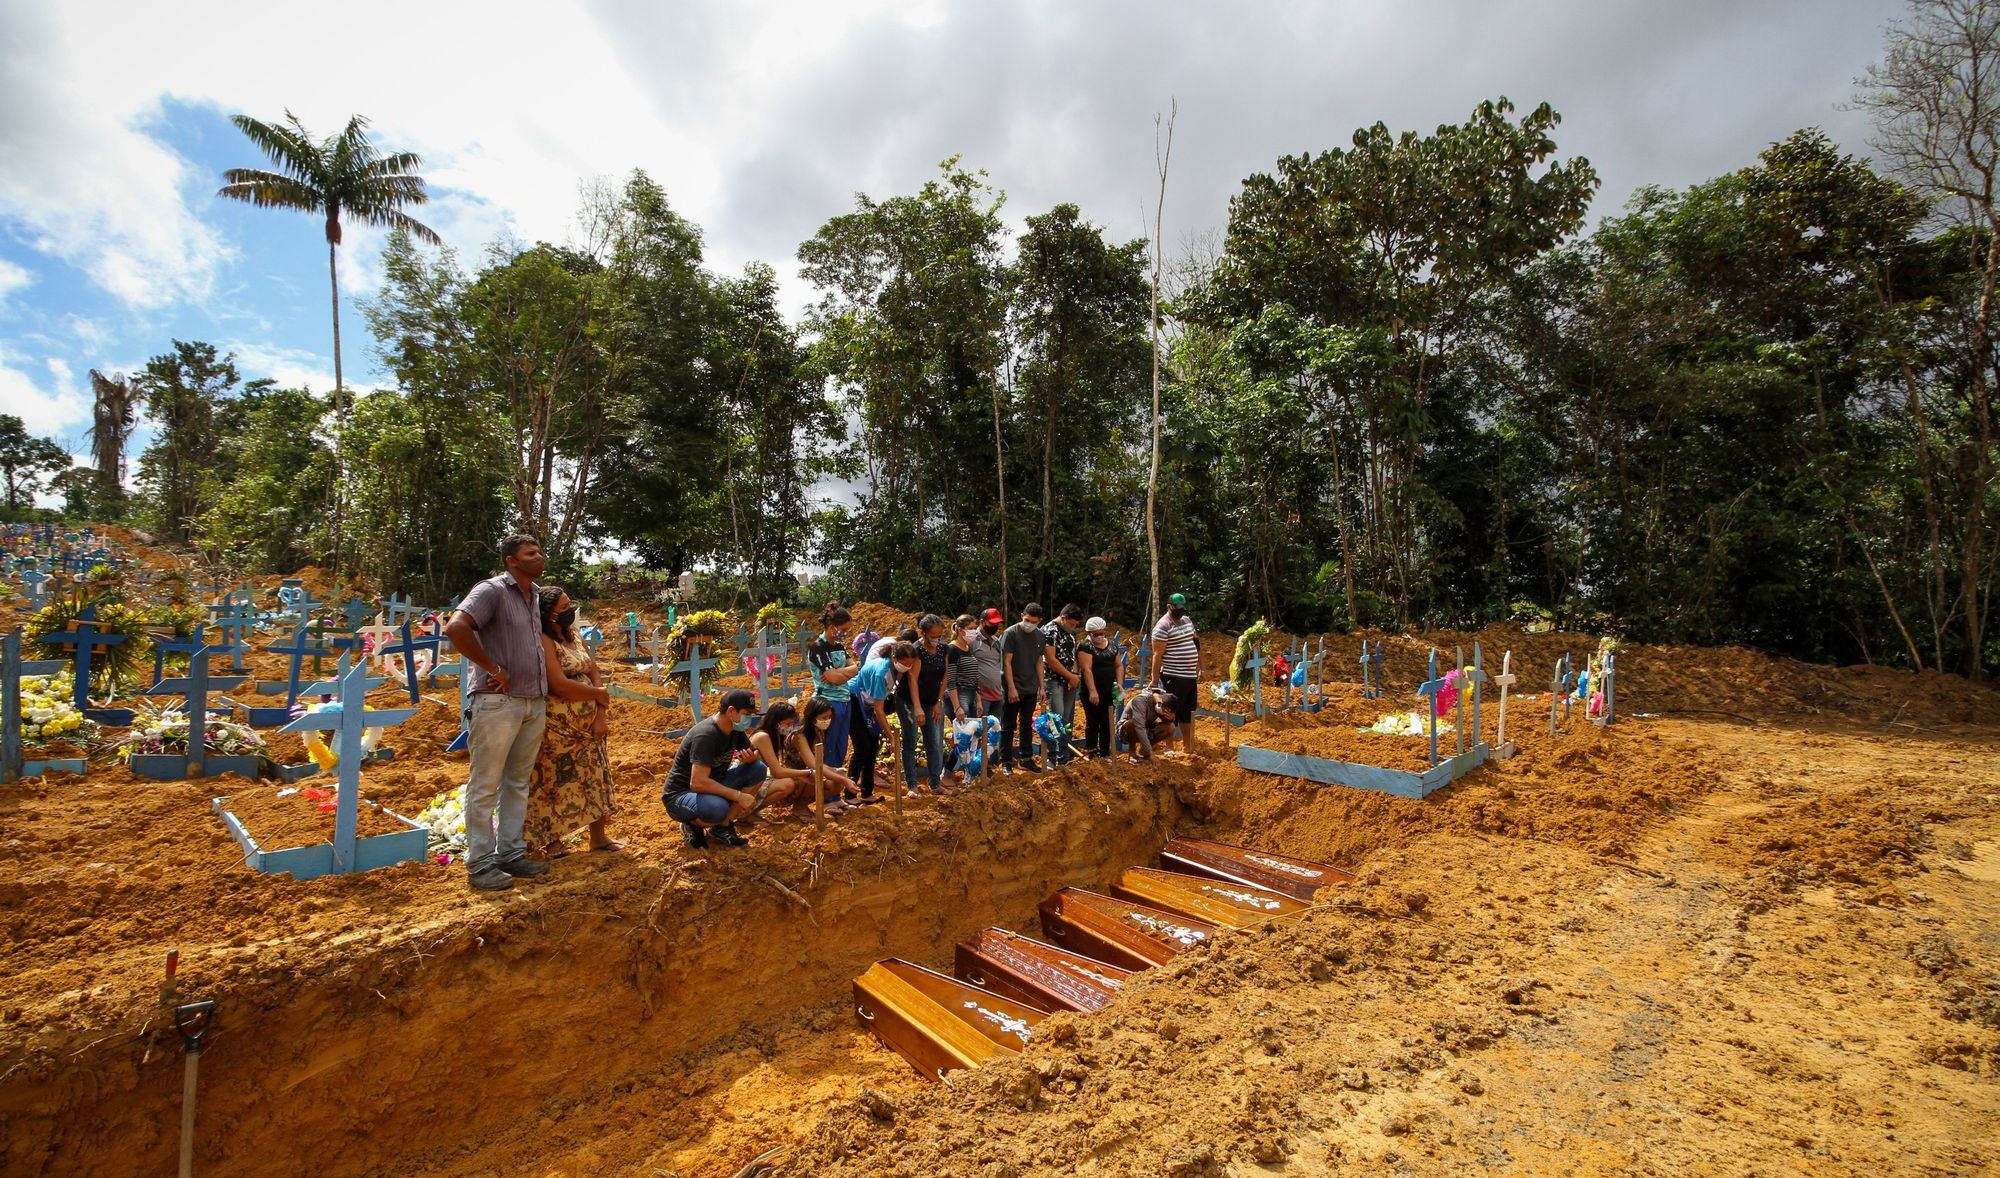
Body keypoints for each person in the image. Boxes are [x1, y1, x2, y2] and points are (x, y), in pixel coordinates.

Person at [443, 534, 552, 891]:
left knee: (517, 783)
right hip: (498, 703)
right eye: (530, 554)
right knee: (485, 785)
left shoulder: (534, 594)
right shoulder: (491, 590)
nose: (539, 557)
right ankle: (479, 863)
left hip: (532, 701)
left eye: (539, 552)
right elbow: (457, 627)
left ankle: (511, 853)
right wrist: (492, 667)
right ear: (511, 561)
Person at [523, 585, 620, 859]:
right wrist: (596, 694)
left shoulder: (574, 636)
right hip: (557, 729)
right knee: (551, 782)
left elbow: (593, 669)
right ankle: (552, 841)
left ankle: (598, 838)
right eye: (564, 608)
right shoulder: (544, 640)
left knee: (595, 776)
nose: (570, 612)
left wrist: (600, 711)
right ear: (549, 615)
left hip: (590, 727)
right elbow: (559, 685)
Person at [662, 689, 769, 848]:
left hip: (711, 785)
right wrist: (738, 796)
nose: (749, 719)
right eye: (747, 713)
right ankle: (693, 825)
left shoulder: (735, 730)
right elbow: (697, 782)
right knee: (717, 808)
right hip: (681, 794)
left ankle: (723, 826)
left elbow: (753, 753)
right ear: (731, 711)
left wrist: (752, 758)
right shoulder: (706, 735)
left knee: (758, 769)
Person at [851, 640, 921, 800]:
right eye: (905, 663)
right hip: (855, 701)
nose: (908, 666)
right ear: (894, 657)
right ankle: (850, 794)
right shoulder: (882, 672)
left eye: (911, 664)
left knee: (872, 748)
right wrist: (890, 737)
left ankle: (866, 793)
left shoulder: (897, 669)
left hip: (869, 704)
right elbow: (879, 709)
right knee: (862, 748)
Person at [900, 614, 949, 795]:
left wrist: (939, 702)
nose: (937, 640)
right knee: (911, 741)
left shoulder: (944, 649)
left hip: (932, 701)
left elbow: (945, 676)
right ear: (923, 633)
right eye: (933, 636)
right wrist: (918, 707)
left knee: (934, 742)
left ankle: (935, 782)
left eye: (940, 636)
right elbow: (912, 679)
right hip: (910, 701)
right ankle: (912, 785)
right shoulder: (916, 650)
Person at [808, 604, 858, 779]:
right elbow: (835, 678)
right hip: (827, 702)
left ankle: (835, 794)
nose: (845, 633)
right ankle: (827, 795)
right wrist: (839, 674)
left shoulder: (839, 645)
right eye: (844, 629)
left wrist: (837, 673)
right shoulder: (818, 647)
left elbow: (855, 669)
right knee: (827, 746)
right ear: (832, 627)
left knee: (841, 746)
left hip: (844, 700)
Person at [999, 603, 1048, 772]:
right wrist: (1011, 688)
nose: (1029, 624)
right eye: (1027, 620)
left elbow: (1038, 662)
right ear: (1022, 615)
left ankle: (1026, 758)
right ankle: (1005, 760)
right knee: (1008, 724)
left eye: (1033, 622)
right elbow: (1006, 662)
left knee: (1027, 723)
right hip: (1013, 687)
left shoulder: (1040, 636)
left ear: (1039, 621)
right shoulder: (1011, 633)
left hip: (1030, 687)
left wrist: (1041, 687)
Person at [745, 701, 814, 821]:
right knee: (787, 784)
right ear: (776, 722)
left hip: (755, 782)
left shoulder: (773, 737)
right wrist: (805, 773)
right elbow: (777, 771)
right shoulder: (763, 737)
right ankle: (747, 812)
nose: (790, 726)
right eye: (787, 723)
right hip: (748, 785)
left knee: (796, 780)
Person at [1149, 592, 1200, 751]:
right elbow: (1157, 656)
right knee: (1171, 712)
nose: (1180, 611)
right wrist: (1155, 681)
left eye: (1182, 608)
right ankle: (1169, 747)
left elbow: (1196, 643)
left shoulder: (1186, 620)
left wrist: (1201, 667)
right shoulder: (1162, 626)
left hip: (1190, 676)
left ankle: (1187, 746)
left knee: (1188, 712)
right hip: (1174, 676)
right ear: (1169, 607)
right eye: (1177, 609)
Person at [791, 696, 853, 817]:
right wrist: (844, 780)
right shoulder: (799, 736)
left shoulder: (818, 732)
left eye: (830, 717)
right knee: (827, 777)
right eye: (824, 718)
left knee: (838, 777)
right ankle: (798, 806)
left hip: (808, 775)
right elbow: (814, 764)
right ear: (813, 717)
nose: (828, 721)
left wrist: (837, 773)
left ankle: (802, 805)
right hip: (794, 777)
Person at [1040, 604, 1085, 764]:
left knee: (1066, 720)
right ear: (1063, 617)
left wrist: (1074, 675)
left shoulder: (1071, 632)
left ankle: (1063, 755)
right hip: (1053, 680)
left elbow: (1072, 655)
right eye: (1072, 623)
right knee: (1055, 719)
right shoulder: (1050, 630)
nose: (1073, 627)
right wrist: (1069, 676)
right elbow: (1051, 659)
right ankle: (1051, 756)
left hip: (1069, 681)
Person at [944, 613, 983, 785]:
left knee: (974, 736)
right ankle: (947, 772)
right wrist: (957, 706)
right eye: (970, 629)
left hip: (970, 693)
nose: (974, 632)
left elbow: (974, 678)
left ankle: (970, 771)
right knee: (963, 737)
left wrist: (979, 699)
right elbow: (950, 680)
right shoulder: (952, 649)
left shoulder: (969, 648)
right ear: (960, 630)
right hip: (958, 694)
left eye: (974, 628)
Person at [1076, 616, 1119, 759]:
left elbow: (1118, 665)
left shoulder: (1112, 645)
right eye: (1096, 634)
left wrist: (1119, 685)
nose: (1099, 636)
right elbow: (1086, 670)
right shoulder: (1085, 647)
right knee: (1093, 721)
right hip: (1092, 690)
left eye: (1102, 633)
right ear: (1089, 633)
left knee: (1107, 722)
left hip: (1109, 690)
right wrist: (1093, 690)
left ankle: (1105, 752)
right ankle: (1092, 752)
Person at [1120, 684, 1179, 762]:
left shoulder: (1162, 703)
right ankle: (1133, 753)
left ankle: (1144, 754)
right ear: (1160, 703)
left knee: (1170, 727)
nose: (1164, 712)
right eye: (1165, 710)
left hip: (1145, 727)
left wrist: (1171, 718)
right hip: (1126, 730)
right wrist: (1151, 752)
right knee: (1132, 723)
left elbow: (1167, 722)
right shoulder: (1140, 701)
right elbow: (1139, 727)